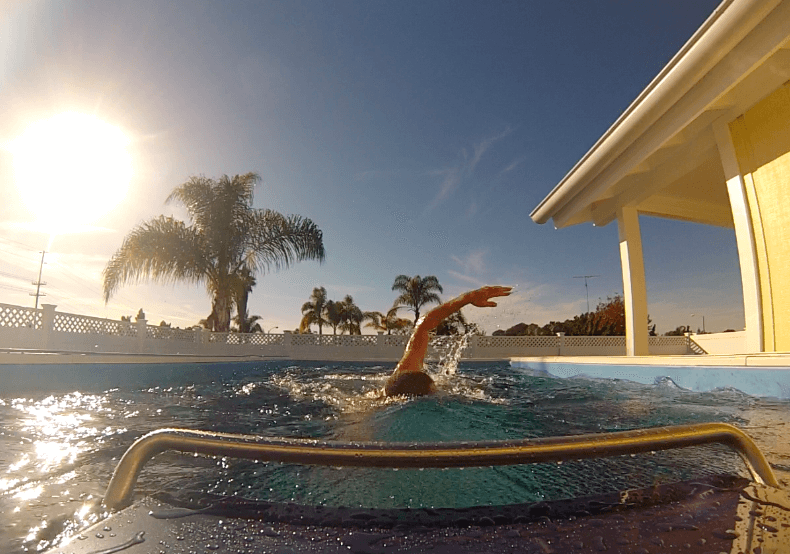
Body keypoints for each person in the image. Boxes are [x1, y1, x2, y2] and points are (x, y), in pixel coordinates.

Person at [384, 285, 512, 396]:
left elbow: (423, 325)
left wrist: (469, 297)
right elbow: (423, 325)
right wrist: (468, 297)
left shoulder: (403, 373)